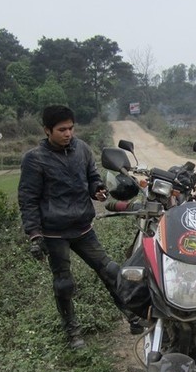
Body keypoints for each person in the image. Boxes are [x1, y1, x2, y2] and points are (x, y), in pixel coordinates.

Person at [18, 104, 137, 349]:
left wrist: (98, 190)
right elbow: (27, 199)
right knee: (64, 283)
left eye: (71, 128)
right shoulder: (34, 159)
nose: (68, 133)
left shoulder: (81, 149)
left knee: (110, 270)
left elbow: (92, 177)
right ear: (47, 130)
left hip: (83, 227)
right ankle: (73, 334)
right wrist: (34, 234)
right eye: (62, 129)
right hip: (54, 232)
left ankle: (133, 316)